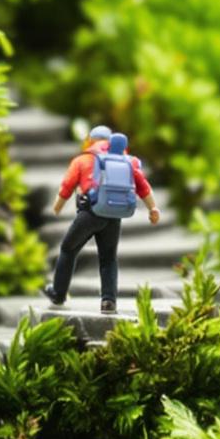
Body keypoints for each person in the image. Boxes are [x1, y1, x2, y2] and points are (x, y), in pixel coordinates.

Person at [44, 131, 160, 314]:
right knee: (108, 258)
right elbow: (143, 186)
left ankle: (58, 294)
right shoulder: (127, 161)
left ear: (90, 141)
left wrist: (57, 208)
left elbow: (67, 186)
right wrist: (153, 208)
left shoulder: (83, 160)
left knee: (68, 248)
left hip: (89, 213)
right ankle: (108, 301)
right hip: (114, 217)